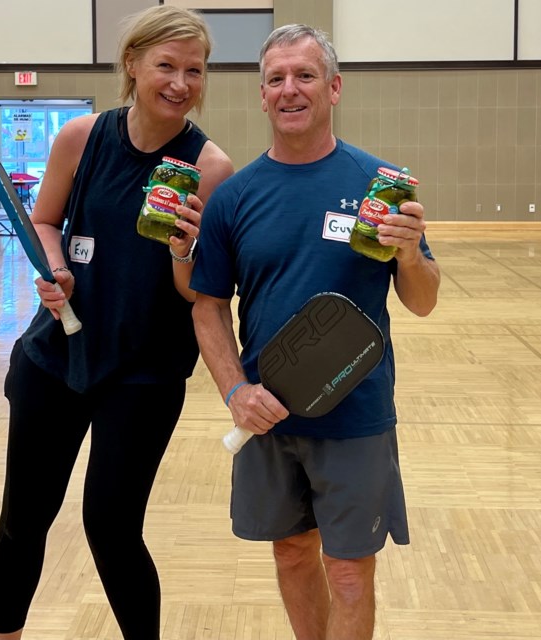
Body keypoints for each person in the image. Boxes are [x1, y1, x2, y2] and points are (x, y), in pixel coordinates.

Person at [0, 6, 233, 640]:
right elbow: (45, 220)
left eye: (194, 70)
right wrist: (53, 269)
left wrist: (186, 248)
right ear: (132, 65)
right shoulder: (81, 137)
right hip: (53, 359)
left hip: (144, 372)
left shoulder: (210, 168)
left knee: (113, 526)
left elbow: (197, 290)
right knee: (24, 517)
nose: (180, 83)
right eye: (166, 66)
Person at [190, 24, 440, 640]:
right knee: (292, 554)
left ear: (334, 87)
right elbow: (207, 305)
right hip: (270, 413)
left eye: (304, 75)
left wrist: (410, 255)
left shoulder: (379, 186)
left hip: (356, 413)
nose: (289, 89)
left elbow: (424, 300)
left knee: (351, 571)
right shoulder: (235, 197)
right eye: (275, 78)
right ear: (261, 95)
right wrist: (234, 392)